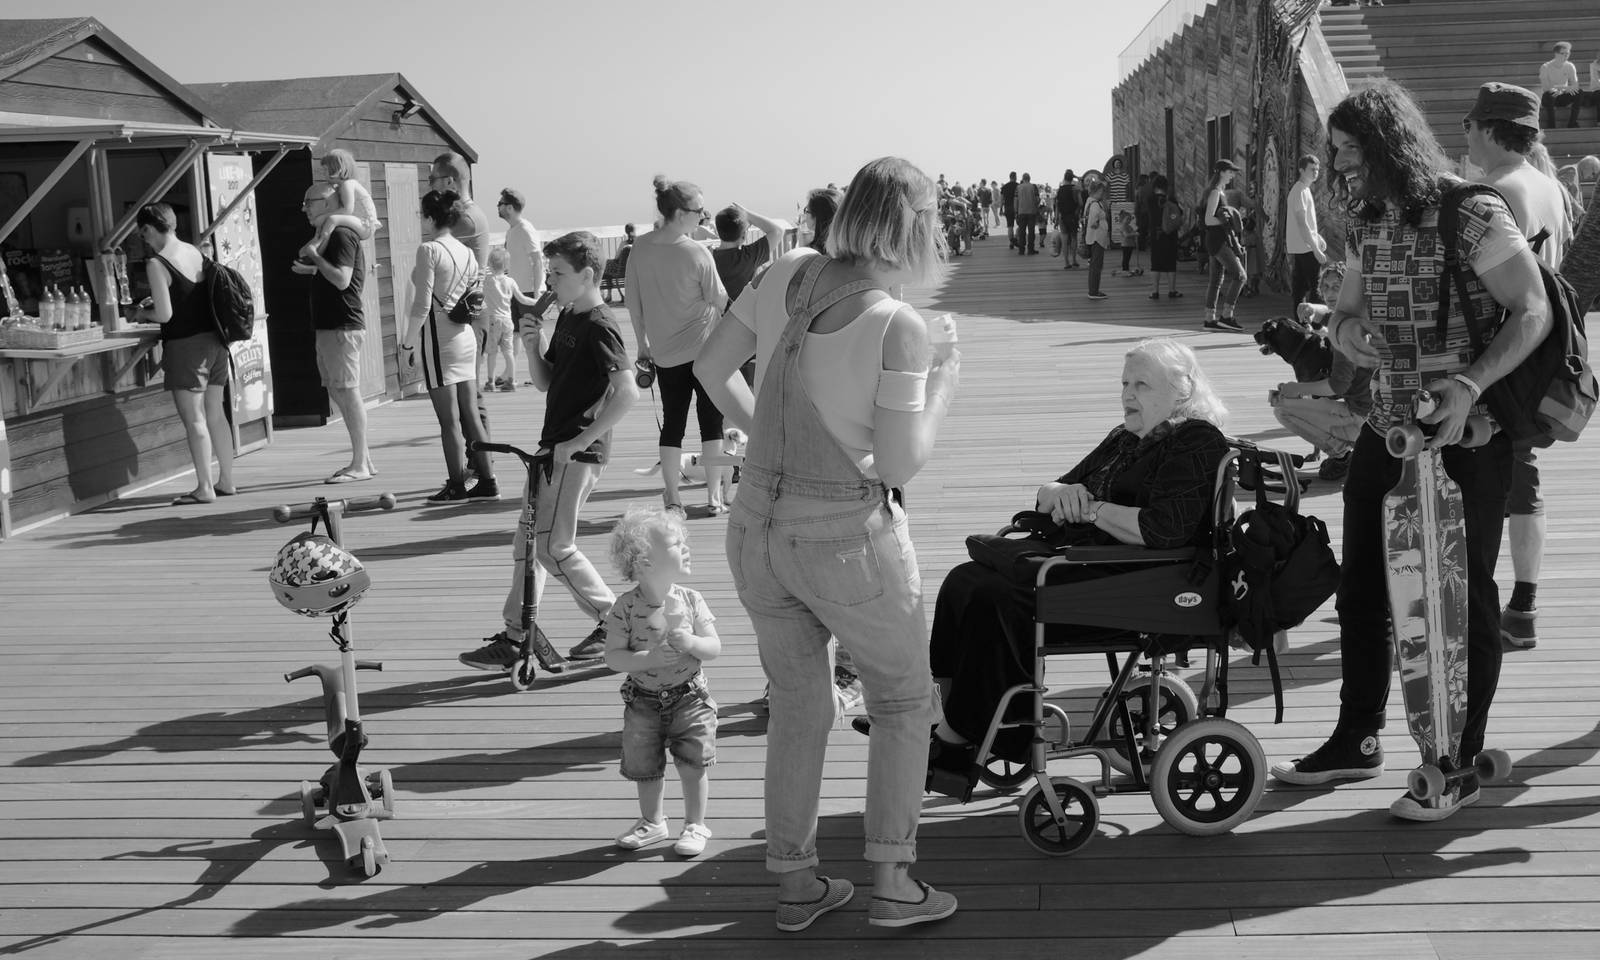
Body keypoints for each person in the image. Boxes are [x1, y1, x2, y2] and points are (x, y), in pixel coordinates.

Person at [1270, 80, 1552, 822]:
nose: (1340, 164)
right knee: (1363, 588)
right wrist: (1346, 333)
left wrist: (1470, 383)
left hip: (1467, 437)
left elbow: (1532, 310)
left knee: (1462, 599)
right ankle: (1356, 739)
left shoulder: (1471, 212)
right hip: (1384, 430)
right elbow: (1347, 314)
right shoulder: (1370, 220)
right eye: (1335, 151)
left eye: (1351, 150)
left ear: (1388, 145)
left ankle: (1456, 762)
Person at [695, 156, 960, 931]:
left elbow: (711, 366)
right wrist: (942, 378)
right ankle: (894, 885)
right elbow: (899, 464)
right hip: (841, 536)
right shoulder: (898, 325)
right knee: (902, 699)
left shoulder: (785, 269)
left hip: (754, 526)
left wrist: (768, 441)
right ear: (915, 227)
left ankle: (797, 886)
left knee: (798, 703)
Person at [926, 338, 1228, 765]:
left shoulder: (1196, 441)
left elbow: (1162, 529)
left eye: (1141, 384)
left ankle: (966, 736)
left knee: (996, 599)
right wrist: (1061, 493)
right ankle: (941, 710)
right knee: (965, 580)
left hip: (1138, 582)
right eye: (1124, 383)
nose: (1127, 394)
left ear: (1182, 389)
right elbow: (1052, 491)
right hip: (1094, 566)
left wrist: (1092, 508)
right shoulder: (1125, 438)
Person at [459, 231, 638, 670]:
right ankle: (516, 634)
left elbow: (628, 391)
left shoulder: (599, 324)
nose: (549, 282)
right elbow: (545, 381)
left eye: (557, 273)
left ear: (587, 275)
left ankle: (614, 621)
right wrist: (532, 344)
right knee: (528, 542)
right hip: (552, 446)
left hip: (576, 452)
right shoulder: (570, 316)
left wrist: (579, 442)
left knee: (553, 546)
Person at [1464, 82, 1575, 652]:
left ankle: (1458, 603)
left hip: (1501, 350)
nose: (1465, 135)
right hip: (1544, 351)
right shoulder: (1550, 184)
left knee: (1478, 475)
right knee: (1524, 475)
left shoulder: (1494, 191)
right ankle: (1523, 604)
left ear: (1489, 130)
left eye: (1470, 126)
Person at [603, 504, 722, 858]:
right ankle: (652, 821)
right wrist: (648, 659)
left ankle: (695, 824)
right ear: (644, 562)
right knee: (645, 766)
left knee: (693, 763)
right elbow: (613, 656)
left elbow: (714, 647)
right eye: (675, 544)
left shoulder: (691, 599)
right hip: (643, 700)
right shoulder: (625, 608)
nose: (685, 548)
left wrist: (692, 643)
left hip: (690, 697)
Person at [625, 175, 731, 516]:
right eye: (700, 211)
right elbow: (720, 299)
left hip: (665, 354)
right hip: (707, 350)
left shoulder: (640, 248)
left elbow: (633, 303)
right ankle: (715, 497)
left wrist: (642, 345)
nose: (704, 216)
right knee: (712, 423)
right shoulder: (697, 252)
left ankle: (672, 496)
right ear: (682, 213)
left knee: (673, 425)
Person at [131, 203, 236, 505]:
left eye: (142, 234)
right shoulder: (193, 251)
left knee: (194, 419)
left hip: (186, 347)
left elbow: (165, 314)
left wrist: (142, 313)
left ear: (148, 229)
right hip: (216, 342)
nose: (144, 240)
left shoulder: (157, 263)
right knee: (216, 413)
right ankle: (226, 481)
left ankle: (204, 488)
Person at [399, 190, 498, 504]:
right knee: (471, 414)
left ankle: (456, 486)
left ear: (430, 218)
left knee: (449, 420)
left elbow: (421, 305)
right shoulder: (466, 251)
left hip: (439, 340)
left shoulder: (429, 249)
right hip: (465, 335)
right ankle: (488, 482)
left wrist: (407, 344)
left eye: (422, 215)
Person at [291, 183, 375, 483]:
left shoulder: (341, 234)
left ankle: (360, 464)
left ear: (328, 202)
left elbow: (342, 279)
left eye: (309, 201)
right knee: (338, 390)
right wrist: (313, 266)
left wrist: (315, 257)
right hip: (331, 325)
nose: (305, 208)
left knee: (348, 393)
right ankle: (364, 459)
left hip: (342, 325)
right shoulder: (333, 233)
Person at [1271, 262, 1369, 482]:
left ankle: (1342, 455)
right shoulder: (1357, 314)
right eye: (1325, 287)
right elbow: (1330, 312)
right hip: (1375, 414)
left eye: (1337, 287)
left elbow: (1337, 386)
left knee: (1282, 408)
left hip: (1362, 419)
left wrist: (1297, 388)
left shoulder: (1344, 330)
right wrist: (1314, 309)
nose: (1330, 293)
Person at [429, 154, 493, 470]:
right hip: (469, 311)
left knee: (470, 400)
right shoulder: (471, 213)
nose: (430, 186)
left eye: (432, 180)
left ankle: (481, 467)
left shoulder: (462, 220)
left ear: (450, 181)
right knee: (469, 396)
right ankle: (480, 465)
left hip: (465, 314)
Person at [298, 149, 379, 261]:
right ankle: (316, 241)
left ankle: (319, 247)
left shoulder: (347, 184)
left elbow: (347, 210)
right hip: (360, 222)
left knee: (332, 219)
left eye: (325, 169)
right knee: (328, 220)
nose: (323, 173)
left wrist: (323, 217)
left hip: (365, 225)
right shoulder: (341, 186)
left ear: (338, 169)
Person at [479, 247, 541, 392]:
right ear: (507, 265)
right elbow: (523, 299)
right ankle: (511, 381)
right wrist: (536, 301)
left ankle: (491, 382)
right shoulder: (510, 281)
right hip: (508, 321)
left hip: (493, 320)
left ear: (490, 263)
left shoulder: (487, 281)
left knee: (492, 353)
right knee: (509, 352)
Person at [1201, 160, 1246, 332]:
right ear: (1221, 172)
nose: (1232, 175)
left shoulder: (1217, 191)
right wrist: (1227, 221)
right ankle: (1227, 316)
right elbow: (1208, 219)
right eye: (1230, 172)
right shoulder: (1215, 193)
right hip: (1218, 241)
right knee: (1240, 276)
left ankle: (1209, 319)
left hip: (1215, 240)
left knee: (1215, 281)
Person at [497, 187, 546, 340]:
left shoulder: (525, 229)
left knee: (534, 333)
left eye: (500, 203)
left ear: (509, 208)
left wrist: (537, 293)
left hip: (529, 291)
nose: (498, 207)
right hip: (517, 291)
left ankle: (547, 356)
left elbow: (538, 260)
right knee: (517, 334)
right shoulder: (511, 230)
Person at [711, 202, 785, 303]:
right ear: (744, 236)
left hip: (715, 312)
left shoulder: (708, 257)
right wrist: (746, 213)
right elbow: (778, 231)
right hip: (740, 311)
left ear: (718, 232)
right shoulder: (748, 257)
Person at [1286, 154, 1329, 305]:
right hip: (1306, 247)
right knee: (1316, 287)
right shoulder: (1299, 191)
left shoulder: (1304, 190)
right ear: (1301, 170)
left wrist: (1317, 237)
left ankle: (1301, 318)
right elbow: (1301, 223)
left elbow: (1307, 223)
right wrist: (1315, 249)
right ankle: (1317, 319)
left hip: (1303, 245)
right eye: (1311, 169)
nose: (1315, 172)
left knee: (1300, 288)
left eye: (1317, 169)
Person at [1148, 176, 1183, 298]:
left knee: (1155, 263)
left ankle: (1155, 292)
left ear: (1155, 186)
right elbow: (1179, 214)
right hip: (1170, 235)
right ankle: (1172, 290)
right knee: (1171, 263)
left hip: (1155, 235)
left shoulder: (1150, 200)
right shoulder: (1171, 200)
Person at [1539, 41, 1582, 129]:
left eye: (1567, 53)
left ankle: (1572, 123)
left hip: (1562, 95)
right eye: (1563, 53)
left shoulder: (1570, 66)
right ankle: (1551, 125)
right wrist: (1561, 88)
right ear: (1556, 53)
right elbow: (1546, 87)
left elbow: (1575, 85)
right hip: (1550, 97)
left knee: (1579, 92)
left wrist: (1562, 89)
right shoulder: (1545, 67)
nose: (1566, 56)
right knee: (1550, 94)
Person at [1084, 180, 1110, 301]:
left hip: (1093, 238)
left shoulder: (1090, 202)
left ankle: (1093, 290)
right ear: (1098, 191)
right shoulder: (1095, 204)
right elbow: (1092, 222)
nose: (1103, 193)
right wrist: (1100, 223)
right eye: (1102, 191)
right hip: (1097, 239)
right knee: (1096, 266)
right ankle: (1093, 291)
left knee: (1094, 265)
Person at [1057, 170, 1082, 268]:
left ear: (1064, 177)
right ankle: (1074, 260)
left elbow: (1057, 205)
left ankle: (1066, 262)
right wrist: (1078, 210)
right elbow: (1081, 203)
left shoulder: (1060, 189)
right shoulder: (1075, 189)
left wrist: (1056, 218)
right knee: (1074, 238)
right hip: (1072, 216)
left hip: (1062, 216)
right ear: (1072, 178)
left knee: (1064, 238)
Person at [1014, 173, 1040, 255]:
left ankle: (1021, 250)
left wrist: (1016, 212)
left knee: (1022, 231)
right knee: (1031, 232)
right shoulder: (1033, 187)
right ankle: (1030, 249)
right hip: (1031, 212)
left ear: (1023, 179)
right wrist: (1036, 205)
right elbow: (1037, 199)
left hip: (1021, 212)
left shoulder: (1018, 187)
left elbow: (1015, 200)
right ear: (1029, 178)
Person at [1000, 171, 1019, 249]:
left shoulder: (1004, 187)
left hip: (1007, 208)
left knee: (1010, 226)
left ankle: (1011, 242)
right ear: (1015, 177)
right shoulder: (1018, 186)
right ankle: (1015, 238)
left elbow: (1002, 199)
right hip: (1017, 208)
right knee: (1020, 225)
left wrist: (1001, 209)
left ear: (1009, 177)